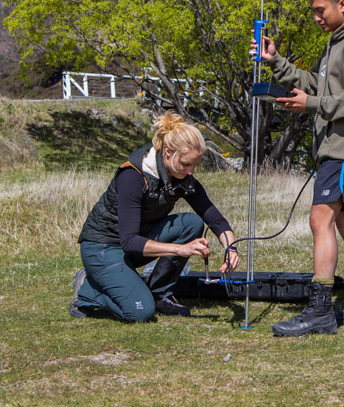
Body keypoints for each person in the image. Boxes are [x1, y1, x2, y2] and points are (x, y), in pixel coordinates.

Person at [255, 0, 344, 336]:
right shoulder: (337, 42)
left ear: (341, 4)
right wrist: (275, 61)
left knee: (320, 220)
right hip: (342, 148)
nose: (316, 18)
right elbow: (315, 83)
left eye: (320, 10)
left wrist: (311, 105)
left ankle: (320, 311)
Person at [69, 113, 239, 322]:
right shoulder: (133, 176)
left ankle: (160, 294)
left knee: (192, 223)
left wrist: (231, 248)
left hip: (133, 245)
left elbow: (215, 219)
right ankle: (87, 290)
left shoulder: (180, 177)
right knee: (140, 312)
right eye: (185, 164)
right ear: (168, 152)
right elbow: (129, 241)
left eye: (194, 166)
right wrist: (180, 249)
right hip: (103, 247)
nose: (190, 171)